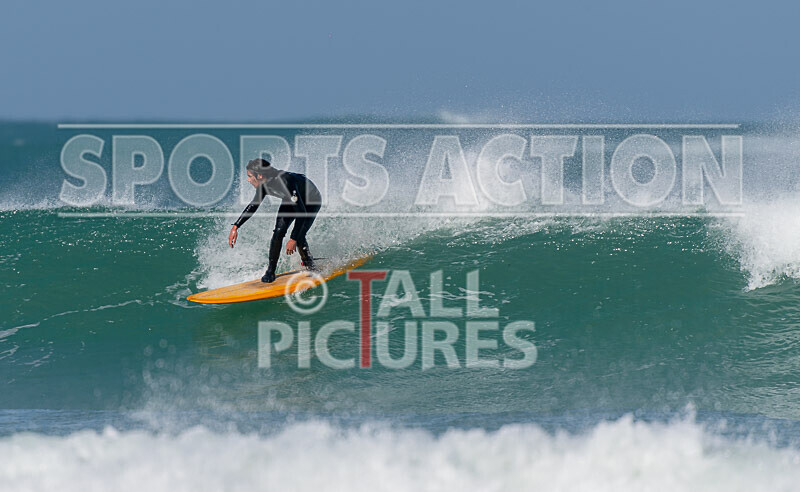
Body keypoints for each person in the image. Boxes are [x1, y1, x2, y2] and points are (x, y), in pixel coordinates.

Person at [228, 158, 322, 283]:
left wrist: (293, 238)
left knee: (299, 235)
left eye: (250, 176)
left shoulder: (285, 181)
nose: (248, 180)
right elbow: (254, 205)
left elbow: (302, 213)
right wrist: (236, 226)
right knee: (278, 232)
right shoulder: (263, 185)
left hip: (311, 201)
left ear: (260, 175)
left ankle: (310, 264)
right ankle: (270, 271)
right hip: (291, 199)